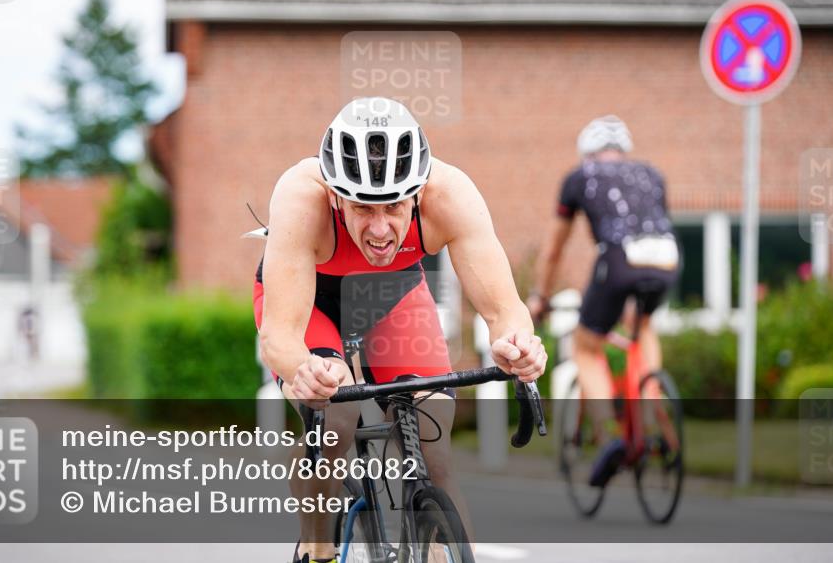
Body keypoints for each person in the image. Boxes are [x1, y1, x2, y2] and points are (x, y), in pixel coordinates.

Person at [254, 97, 547, 563]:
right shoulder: (299, 196)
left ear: (417, 193)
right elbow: (281, 335)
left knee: (436, 456)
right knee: (337, 420)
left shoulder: (450, 195)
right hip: (313, 300)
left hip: (392, 296)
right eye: (361, 208)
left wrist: (519, 347)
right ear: (334, 196)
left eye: (393, 207)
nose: (379, 229)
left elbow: (504, 311)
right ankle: (317, 546)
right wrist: (303, 371)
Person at [528, 115, 679, 487]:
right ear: (623, 150)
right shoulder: (652, 174)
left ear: (587, 153)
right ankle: (650, 408)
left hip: (618, 261)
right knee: (642, 326)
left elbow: (552, 251)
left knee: (586, 347)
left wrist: (540, 297)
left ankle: (610, 437)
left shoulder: (580, 176)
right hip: (666, 259)